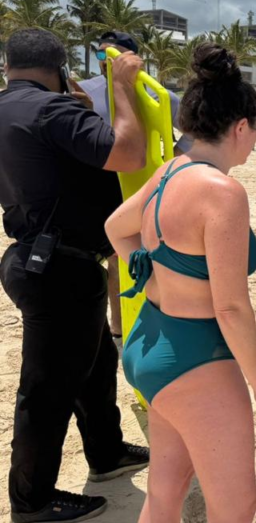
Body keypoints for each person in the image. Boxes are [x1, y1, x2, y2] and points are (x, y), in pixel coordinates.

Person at [105, 43, 256, 523]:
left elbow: (116, 228)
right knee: (233, 516)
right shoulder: (222, 192)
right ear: (240, 127)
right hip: (196, 361)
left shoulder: (169, 172)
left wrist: (151, 278)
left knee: (166, 493)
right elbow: (231, 308)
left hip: (151, 345)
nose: (254, 143)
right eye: (255, 132)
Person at [0, 28, 149, 523]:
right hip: (60, 268)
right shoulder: (52, 111)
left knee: (95, 362)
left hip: (37, 259)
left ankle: (107, 452)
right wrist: (122, 86)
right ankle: (31, 500)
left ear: (9, 67)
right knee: (47, 389)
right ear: (59, 70)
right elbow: (129, 153)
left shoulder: (11, 108)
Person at [77, 30, 189, 347]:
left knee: (130, 255)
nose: (106, 61)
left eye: (113, 54)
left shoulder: (156, 93)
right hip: (95, 184)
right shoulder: (83, 91)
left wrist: (172, 159)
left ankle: (125, 327)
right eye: (101, 54)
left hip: (144, 184)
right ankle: (115, 327)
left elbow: (196, 130)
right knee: (100, 258)